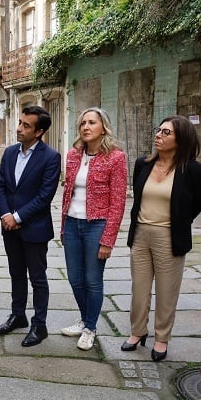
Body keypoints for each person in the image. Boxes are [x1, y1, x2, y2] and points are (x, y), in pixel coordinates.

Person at [123, 116, 201, 361]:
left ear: (180, 139)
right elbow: (138, 197)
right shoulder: (143, 164)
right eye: (158, 130)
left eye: (166, 132)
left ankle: (161, 338)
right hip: (140, 234)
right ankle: (137, 332)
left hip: (169, 236)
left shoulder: (193, 170)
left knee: (166, 291)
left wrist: (181, 220)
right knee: (139, 289)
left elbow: (199, 201)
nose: (158, 135)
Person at [59, 107, 127, 351]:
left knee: (92, 279)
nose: (86, 127)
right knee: (75, 279)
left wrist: (108, 239)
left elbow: (118, 201)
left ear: (103, 127)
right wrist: (64, 229)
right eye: (82, 123)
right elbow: (68, 192)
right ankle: (84, 319)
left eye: (92, 123)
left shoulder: (116, 158)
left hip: (96, 225)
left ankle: (90, 327)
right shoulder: (73, 155)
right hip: (72, 222)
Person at [0, 105, 60, 347]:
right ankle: (18, 315)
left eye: (26, 125)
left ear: (39, 131)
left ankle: (39, 325)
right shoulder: (10, 153)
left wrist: (17, 217)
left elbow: (45, 197)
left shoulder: (51, 157)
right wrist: (4, 214)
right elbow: (0, 185)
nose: (19, 128)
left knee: (38, 278)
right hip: (9, 226)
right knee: (16, 273)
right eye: (20, 123)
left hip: (34, 228)